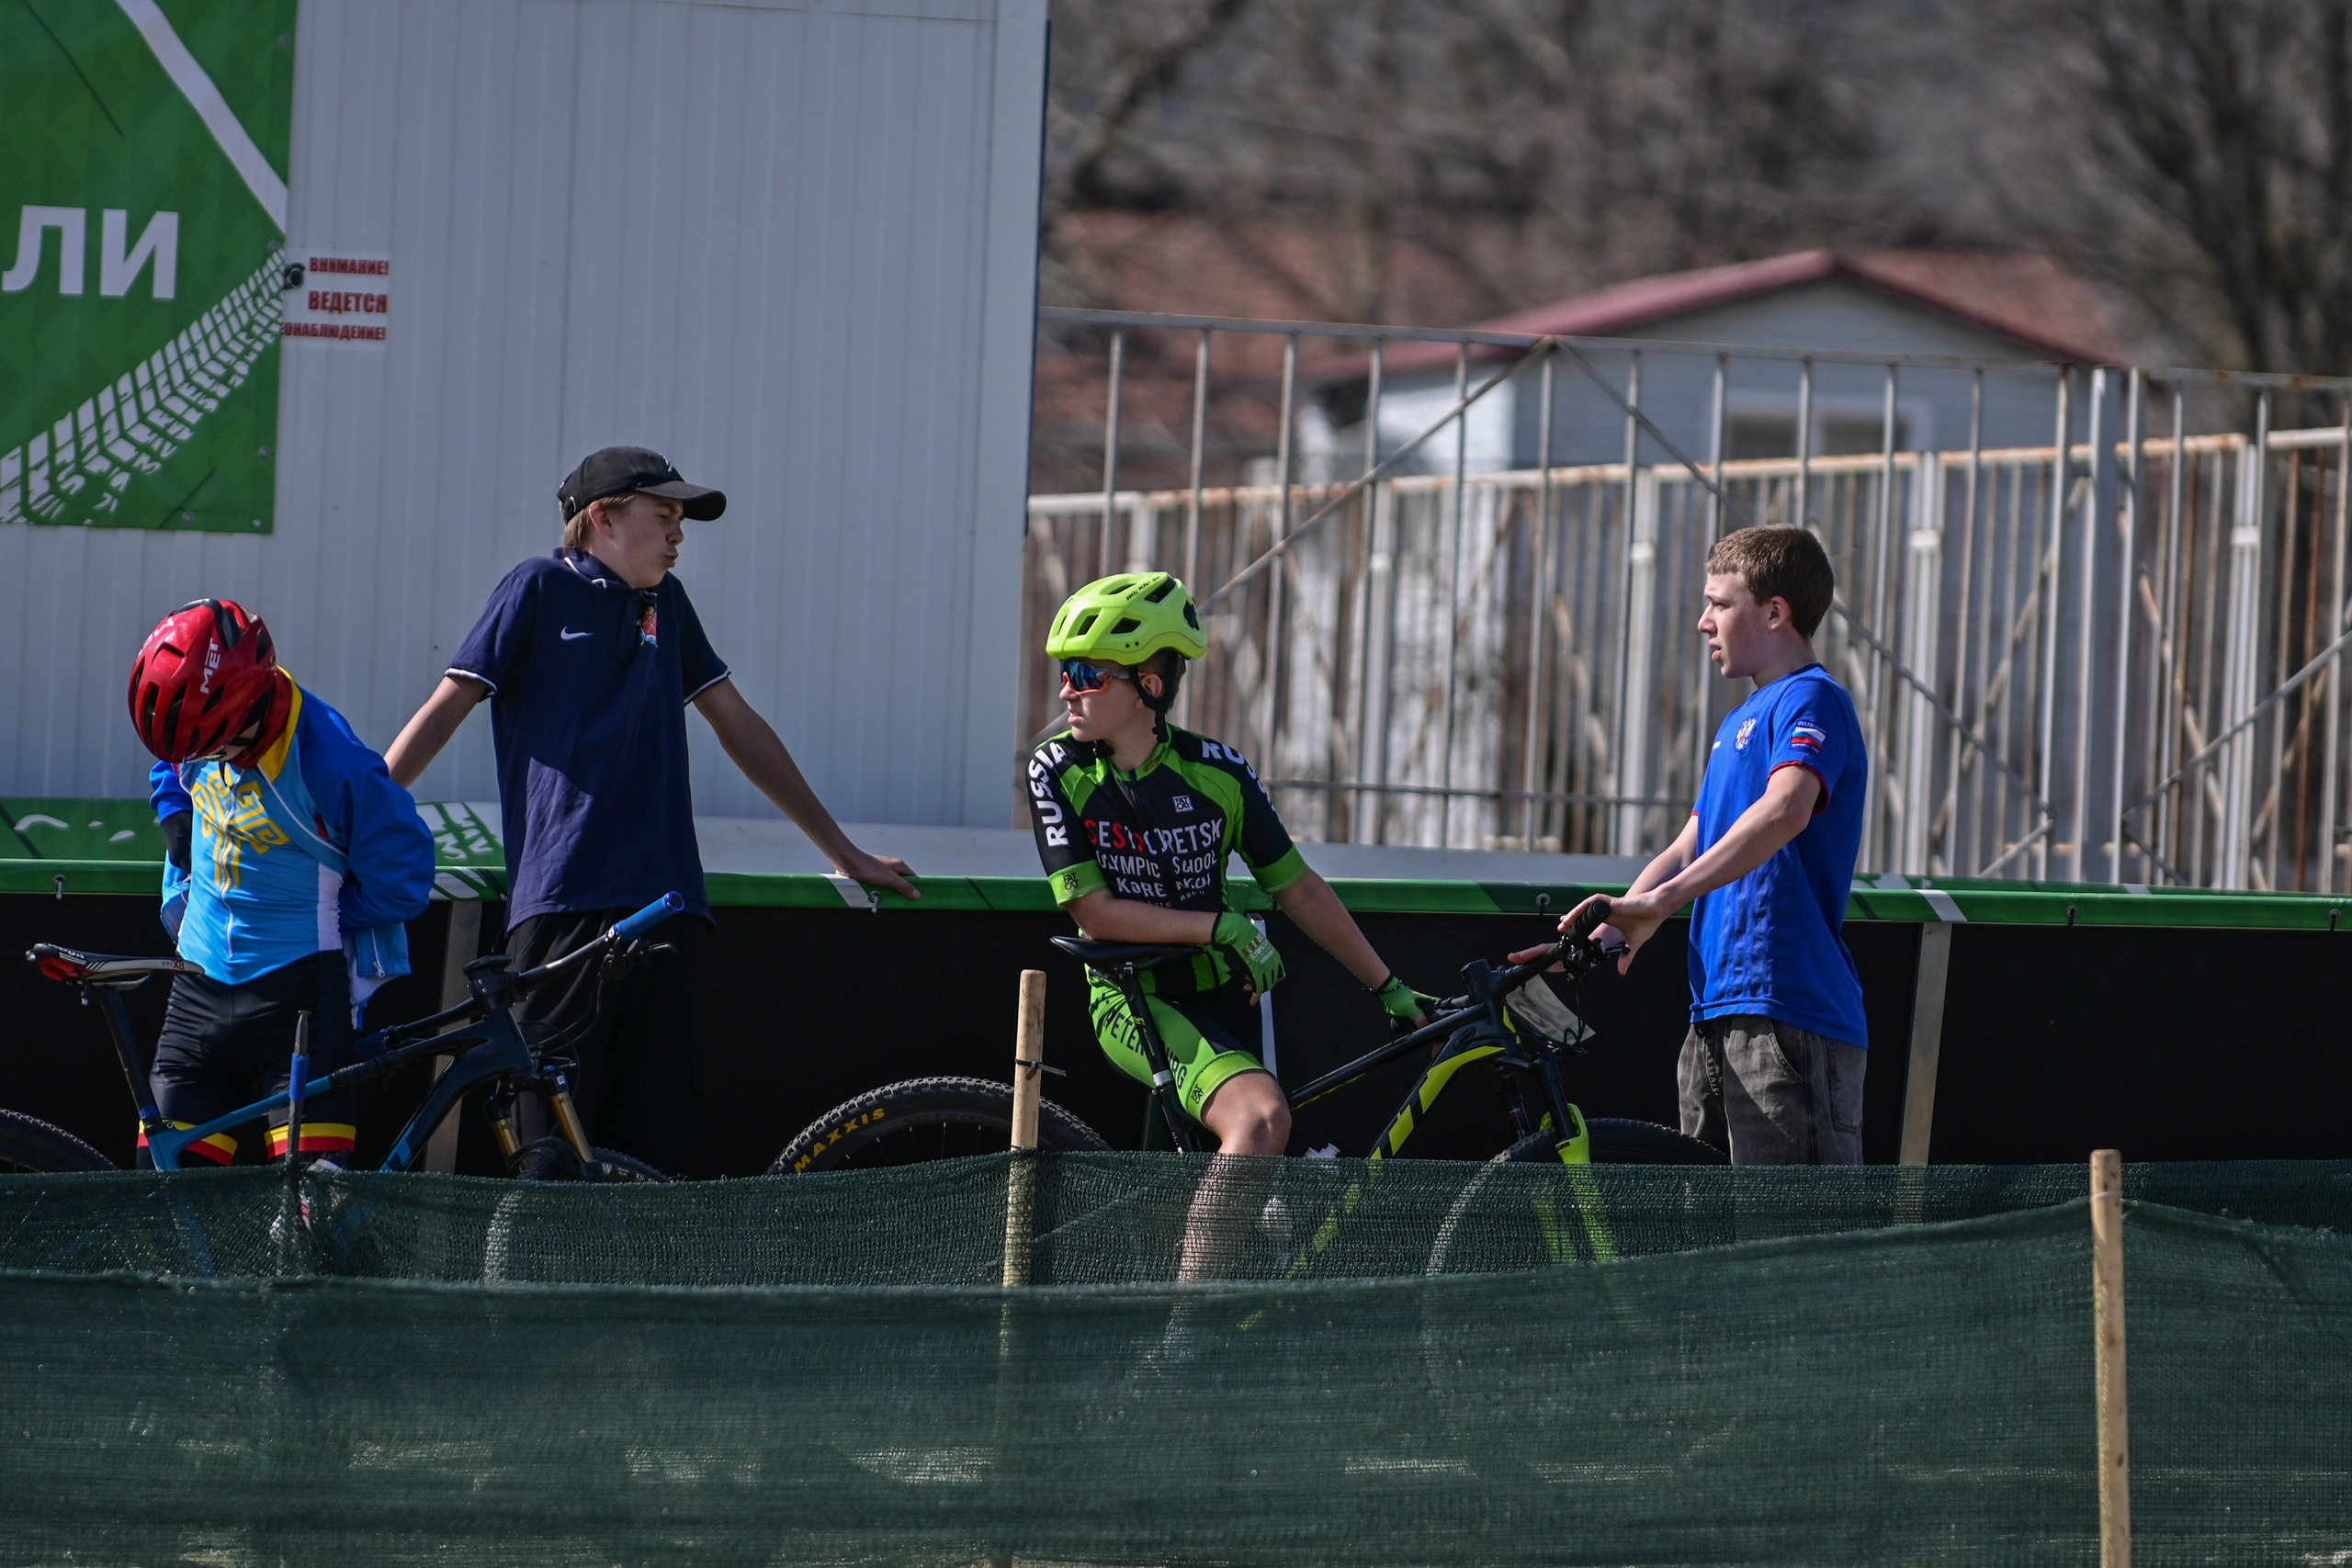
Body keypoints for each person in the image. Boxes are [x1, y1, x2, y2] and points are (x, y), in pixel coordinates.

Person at [383, 446, 914, 1178]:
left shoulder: (668, 601)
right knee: (552, 1158)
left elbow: (740, 726)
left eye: (680, 519)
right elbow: (446, 710)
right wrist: (362, 816)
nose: (679, 534)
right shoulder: (536, 586)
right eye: (663, 515)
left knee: (655, 1156)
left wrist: (842, 849)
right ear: (600, 517)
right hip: (564, 906)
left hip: (669, 911)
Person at [1026, 571, 1433, 1176]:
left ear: (1150, 684)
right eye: (1064, 673)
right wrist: (1222, 926)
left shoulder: (1219, 770)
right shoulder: (1056, 769)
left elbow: (1296, 887)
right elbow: (1094, 912)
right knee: (1261, 1119)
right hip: (1134, 994)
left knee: (1227, 1189)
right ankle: (1203, 1279)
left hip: (1229, 995)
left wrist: (1388, 986)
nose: (1067, 692)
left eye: (1087, 675)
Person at [1519, 525, 1869, 1164]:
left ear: (1774, 611)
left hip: (1785, 1012)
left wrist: (1664, 902)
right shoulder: (1739, 721)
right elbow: (1688, 845)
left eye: (1719, 603)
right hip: (1713, 1012)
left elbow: (1786, 809)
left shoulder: (1812, 699)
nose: (1703, 622)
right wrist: (1607, 929)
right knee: (1706, 1249)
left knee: (1789, 1256)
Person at [132, 598, 436, 1167]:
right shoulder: (200, 726)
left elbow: (406, 878)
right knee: (167, 1209)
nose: (199, 760)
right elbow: (174, 754)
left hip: (299, 1006)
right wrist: (172, 804)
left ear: (246, 713)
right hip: (195, 993)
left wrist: (320, 914)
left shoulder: (332, 761)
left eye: (212, 749)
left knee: (309, 1224)